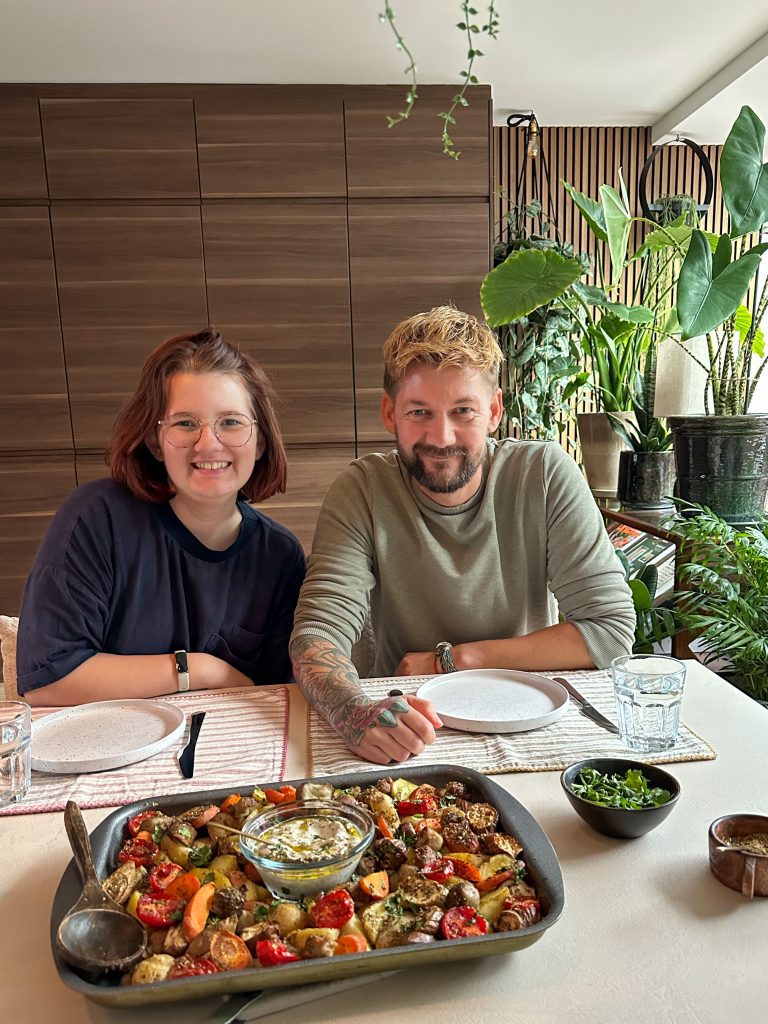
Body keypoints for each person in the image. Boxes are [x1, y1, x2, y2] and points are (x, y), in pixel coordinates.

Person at [290, 305, 635, 764]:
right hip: (405, 721)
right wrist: (355, 713)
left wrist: (452, 660)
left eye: (462, 411)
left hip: (530, 713)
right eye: (419, 412)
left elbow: (610, 633)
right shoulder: (362, 489)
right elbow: (317, 633)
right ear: (389, 413)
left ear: (493, 410)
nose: (442, 436)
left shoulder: (545, 474)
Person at [18, 329, 306, 705]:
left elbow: (277, 698)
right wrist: (202, 669)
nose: (208, 443)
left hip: (227, 754)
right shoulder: (96, 518)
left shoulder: (281, 556)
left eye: (231, 422)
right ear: (156, 442)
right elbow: (46, 679)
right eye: (185, 423)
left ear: (261, 440)